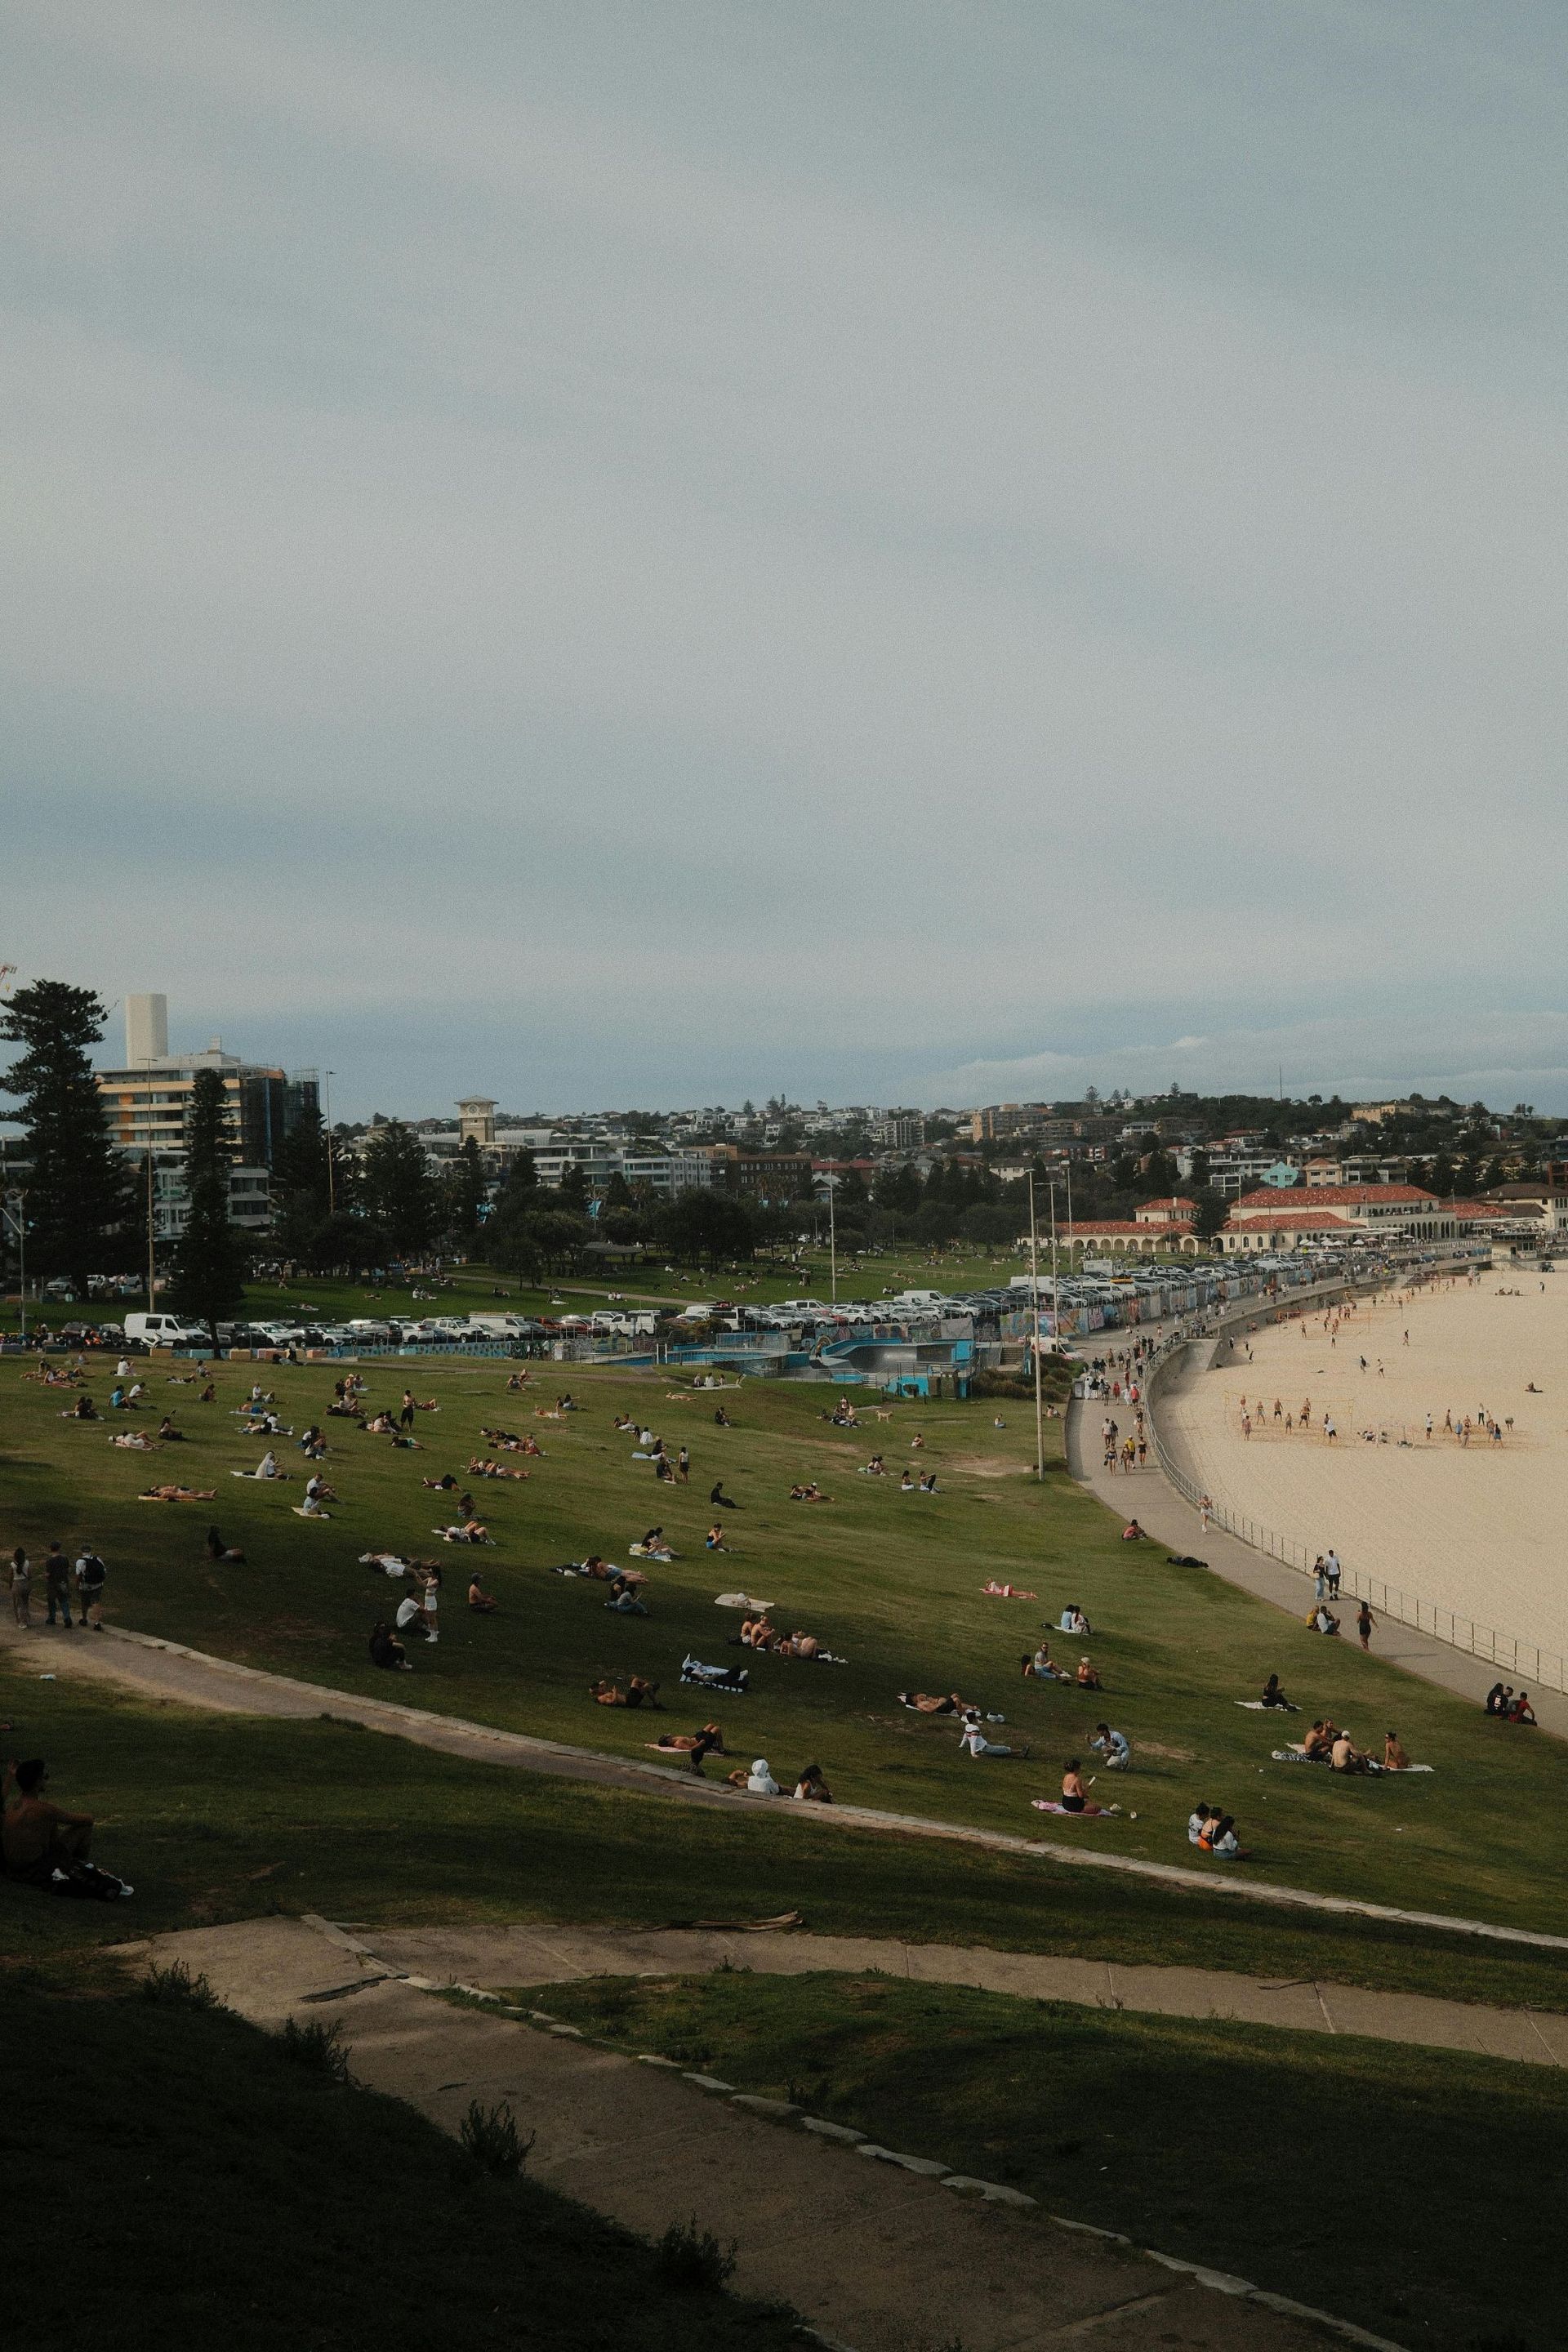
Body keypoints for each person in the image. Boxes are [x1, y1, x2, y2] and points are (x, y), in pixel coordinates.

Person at [2, 1758, 131, 1899]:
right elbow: (86, 1819)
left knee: (50, 1825)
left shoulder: (13, 1806)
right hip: (35, 1870)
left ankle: (74, 1868)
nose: (46, 1780)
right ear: (37, 1781)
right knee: (84, 1827)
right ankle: (78, 1868)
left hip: (14, 1869)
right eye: (44, 1777)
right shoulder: (44, 1810)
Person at [959, 1715, 1028, 1759]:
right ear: (974, 1719)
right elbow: (973, 1741)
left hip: (980, 1748)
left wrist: (961, 1745)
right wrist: (973, 1753)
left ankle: (1020, 1755)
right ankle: (1021, 1751)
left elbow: (965, 1737)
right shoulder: (975, 1728)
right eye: (976, 1718)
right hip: (983, 1748)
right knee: (1003, 1749)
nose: (977, 1719)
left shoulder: (967, 1726)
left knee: (1000, 1753)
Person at [74, 1544, 107, 1632]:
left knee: (84, 1602)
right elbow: (104, 1571)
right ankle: (97, 1622)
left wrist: (77, 1587)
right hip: (97, 1585)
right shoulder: (97, 1559)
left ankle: (84, 1619)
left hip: (85, 1586)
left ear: (82, 1551)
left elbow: (78, 1576)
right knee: (95, 1602)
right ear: (90, 1551)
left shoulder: (80, 1561)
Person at [8, 1547, 31, 1628]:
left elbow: (11, 1576)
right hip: (25, 1584)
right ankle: (26, 1619)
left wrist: (10, 1585)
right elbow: (29, 1575)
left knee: (18, 1604)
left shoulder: (13, 1564)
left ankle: (21, 1621)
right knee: (25, 1603)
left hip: (16, 1584)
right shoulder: (27, 1563)